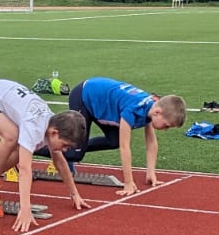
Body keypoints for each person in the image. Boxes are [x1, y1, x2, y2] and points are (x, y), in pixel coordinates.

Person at [0, 78, 91, 230]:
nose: (66, 149)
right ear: (54, 133)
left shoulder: (52, 123)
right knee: (11, 136)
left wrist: (74, 194)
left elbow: (60, 161)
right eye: (65, 145)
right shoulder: (34, 126)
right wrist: (25, 208)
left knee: (20, 147)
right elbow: (25, 169)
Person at [33, 77, 186, 197]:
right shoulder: (132, 110)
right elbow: (125, 146)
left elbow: (151, 143)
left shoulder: (151, 106)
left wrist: (151, 172)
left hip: (102, 103)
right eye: (167, 125)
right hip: (84, 96)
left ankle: (80, 147)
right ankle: (32, 147)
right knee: (75, 153)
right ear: (158, 112)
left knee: (113, 142)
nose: (165, 130)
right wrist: (128, 182)